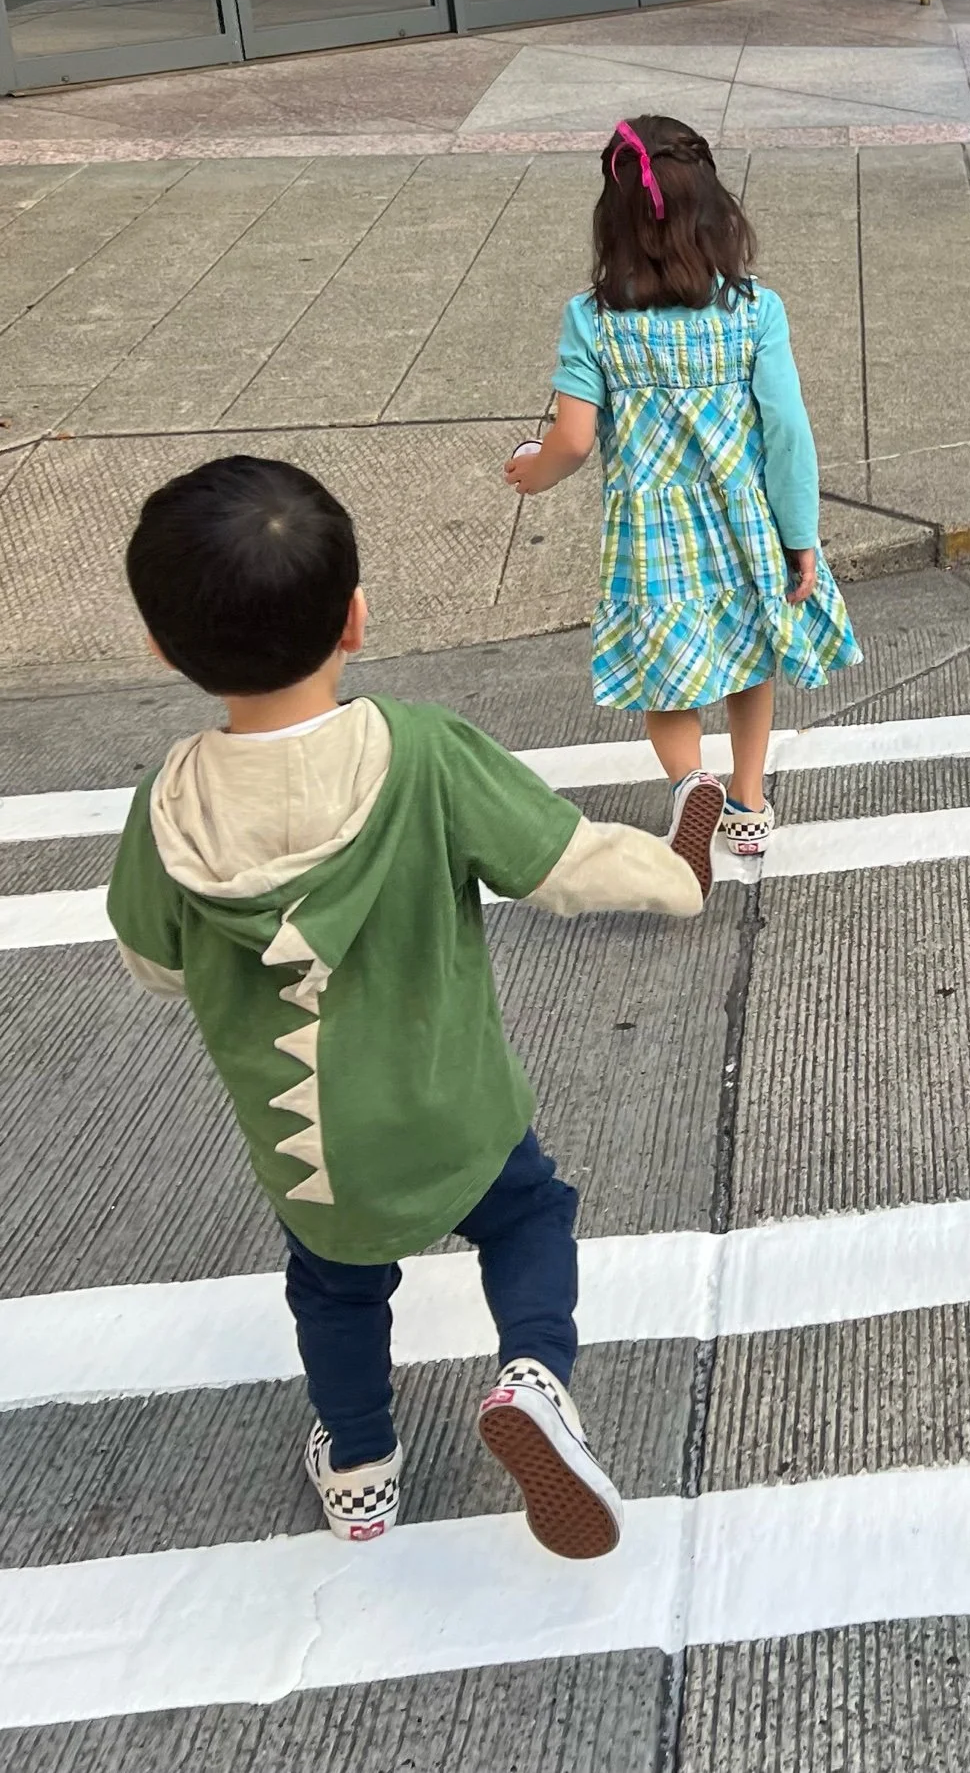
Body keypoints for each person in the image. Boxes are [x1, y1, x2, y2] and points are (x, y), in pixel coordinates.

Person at [108, 455, 714, 1555]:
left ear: (162, 647)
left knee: (337, 1292)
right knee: (526, 1214)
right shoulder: (421, 753)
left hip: (311, 1155)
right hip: (455, 1110)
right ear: (355, 618)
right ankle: (533, 1376)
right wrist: (674, 876)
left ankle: (360, 1469)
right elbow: (564, 863)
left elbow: (152, 960)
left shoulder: (167, 811)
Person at [506, 115, 860, 861]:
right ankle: (749, 802)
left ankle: (690, 783)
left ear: (613, 224)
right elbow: (787, 433)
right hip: (743, 521)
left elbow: (571, 440)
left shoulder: (594, 323)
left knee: (668, 678)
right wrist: (799, 535)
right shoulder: (755, 311)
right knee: (750, 658)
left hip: (651, 534)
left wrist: (529, 472)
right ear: (717, 215)